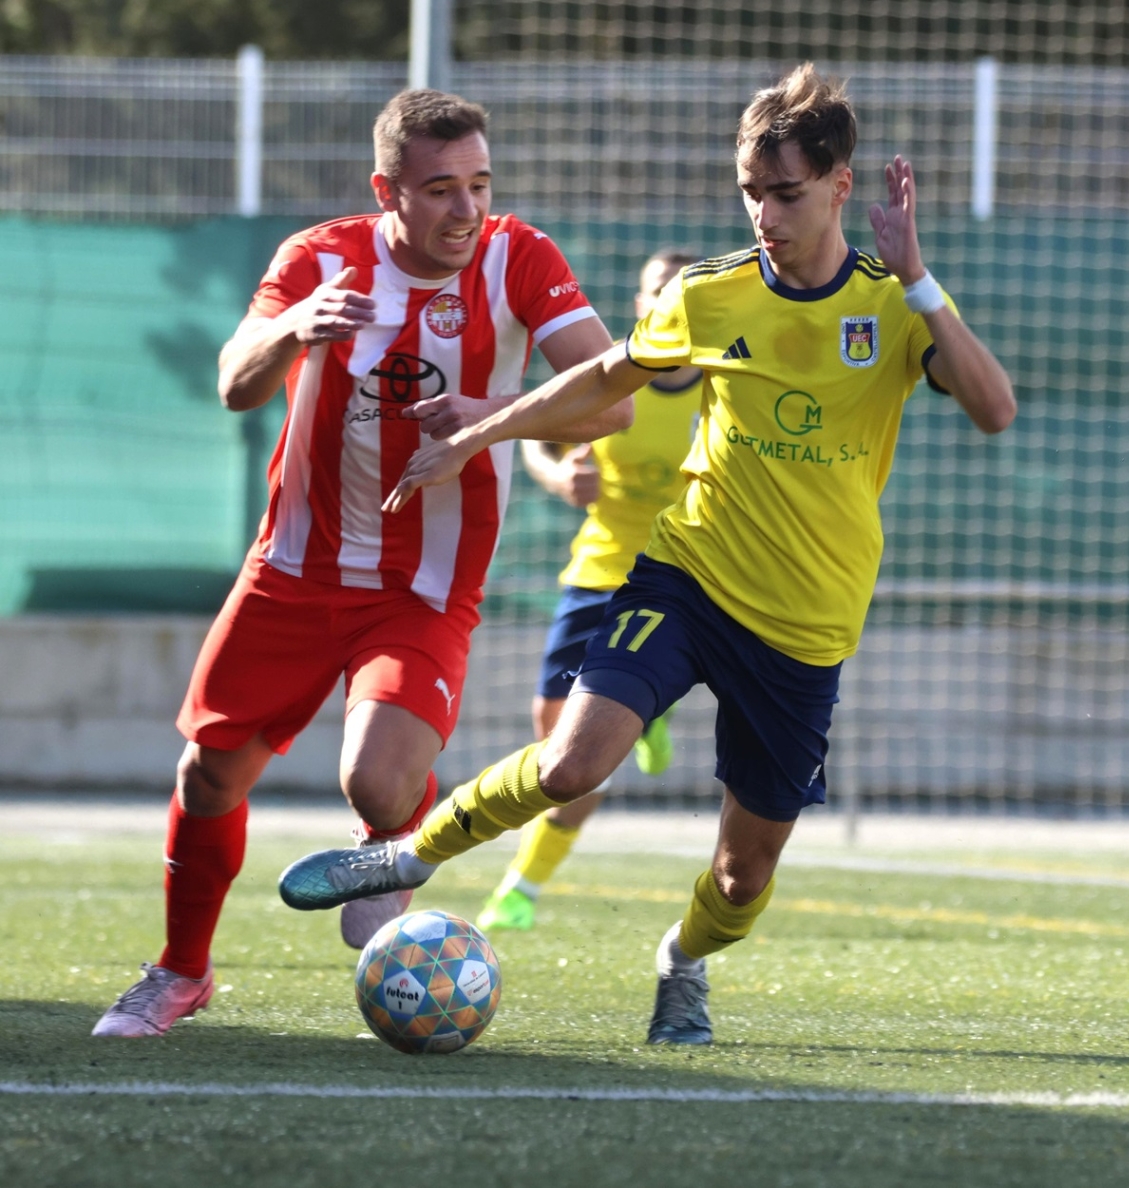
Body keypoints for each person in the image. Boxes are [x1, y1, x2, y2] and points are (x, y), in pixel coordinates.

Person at [278, 65, 1016, 1045]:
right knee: (575, 760)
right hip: (688, 573)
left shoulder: (892, 306)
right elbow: (599, 378)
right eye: (751, 191)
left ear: (842, 187)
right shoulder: (713, 296)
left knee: (740, 877)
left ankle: (682, 961)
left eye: (786, 193)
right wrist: (485, 427)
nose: (764, 213)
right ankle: (411, 854)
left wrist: (919, 280)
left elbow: (994, 407)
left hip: (804, 624)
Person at [92, 88, 630, 1037]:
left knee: (376, 783)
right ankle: (180, 973)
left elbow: (610, 399)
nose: (465, 210)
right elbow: (233, 383)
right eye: (438, 191)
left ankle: (389, 847)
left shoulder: (521, 256)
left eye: (478, 184)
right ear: (387, 191)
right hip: (293, 570)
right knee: (207, 778)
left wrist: (489, 420)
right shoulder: (319, 257)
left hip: (424, 590)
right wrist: (292, 330)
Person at [477, 250, 703, 933]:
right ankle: (646, 711)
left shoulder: (726, 380)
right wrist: (558, 478)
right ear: (640, 305)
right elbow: (536, 433)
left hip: (681, 573)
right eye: (655, 291)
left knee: (587, 745)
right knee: (553, 740)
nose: (666, 302)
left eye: (680, 292)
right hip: (599, 570)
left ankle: (520, 887)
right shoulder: (614, 371)